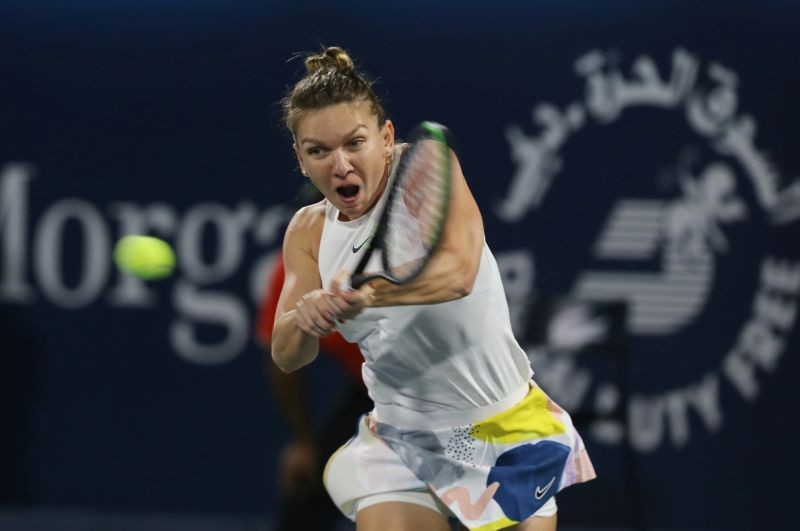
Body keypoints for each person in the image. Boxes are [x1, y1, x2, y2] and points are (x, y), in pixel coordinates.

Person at [271, 46, 596, 531]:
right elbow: (286, 353)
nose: (339, 165)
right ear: (300, 158)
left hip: (503, 427)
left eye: (354, 143)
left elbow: (458, 273)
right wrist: (307, 317)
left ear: (386, 137)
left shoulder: (425, 172)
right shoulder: (307, 231)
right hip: (403, 435)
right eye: (318, 151)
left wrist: (373, 295)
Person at [256, 183, 372, 531]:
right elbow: (283, 367)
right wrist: (304, 442)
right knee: (306, 493)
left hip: (439, 390)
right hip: (370, 386)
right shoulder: (292, 271)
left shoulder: (389, 264)